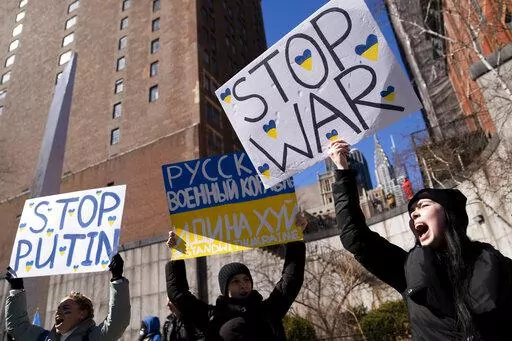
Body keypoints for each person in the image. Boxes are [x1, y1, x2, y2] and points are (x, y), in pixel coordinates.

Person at [329, 139, 512, 340]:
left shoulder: (493, 263)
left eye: (423, 206)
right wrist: (341, 170)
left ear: (449, 215)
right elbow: (354, 236)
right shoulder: (408, 269)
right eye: (412, 212)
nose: (415, 214)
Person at [165, 231, 305, 341]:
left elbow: (291, 280)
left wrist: (295, 239)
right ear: (225, 288)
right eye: (235, 282)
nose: (243, 285)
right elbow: (178, 294)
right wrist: (176, 253)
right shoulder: (211, 317)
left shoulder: (268, 311)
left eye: (246, 280)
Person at [5, 253, 131, 341]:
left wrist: (117, 279)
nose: (58, 312)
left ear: (82, 314)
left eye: (65, 308)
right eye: (58, 309)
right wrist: (16, 289)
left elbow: (117, 322)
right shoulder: (44, 338)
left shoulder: (93, 338)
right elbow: (17, 327)